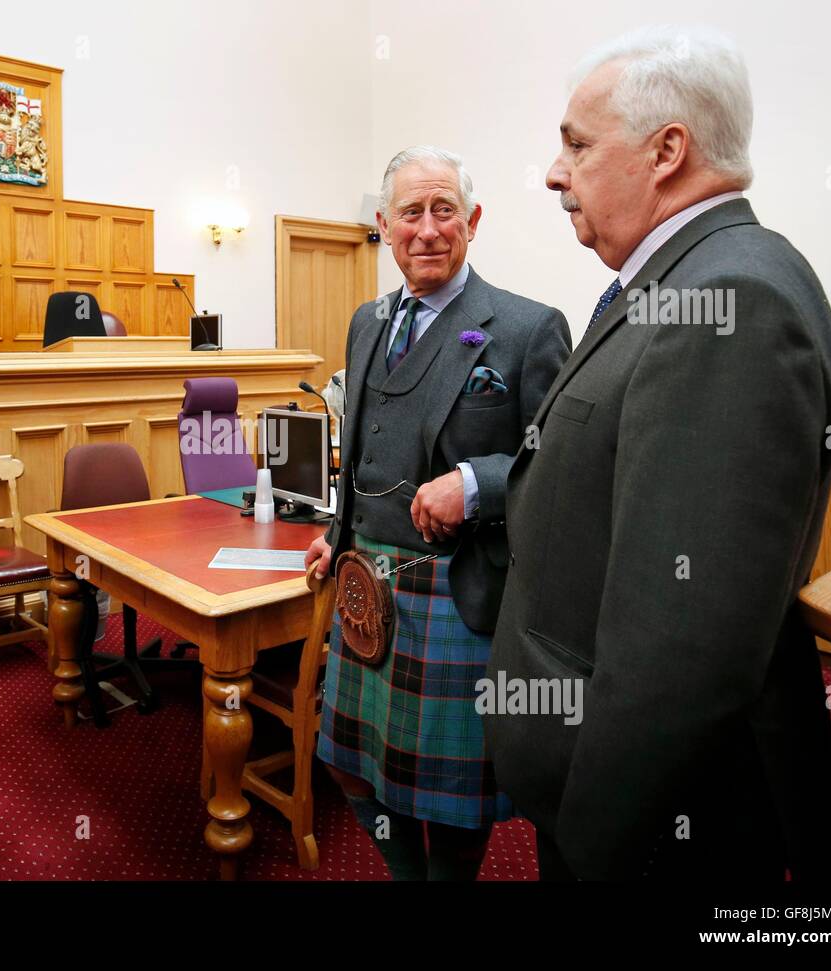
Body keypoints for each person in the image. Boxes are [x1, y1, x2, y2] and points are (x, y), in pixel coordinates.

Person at [484, 26, 831, 880]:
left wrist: (595, 840)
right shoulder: (682, 278)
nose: (554, 172)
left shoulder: (730, 299)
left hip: (656, 833)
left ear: (666, 151)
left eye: (577, 144)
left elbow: (680, 649)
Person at [305, 146, 571, 880]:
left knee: (452, 797)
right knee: (351, 764)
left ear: (472, 221)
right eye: (410, 213)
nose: (427, 229)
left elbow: (560, 462)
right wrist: (336, 534)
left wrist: (478, 482)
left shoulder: (527, 327)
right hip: (364, 579)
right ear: (385, 226)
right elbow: (360, 445)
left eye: (443, 210)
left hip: (460, 589)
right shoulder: (366, 322)